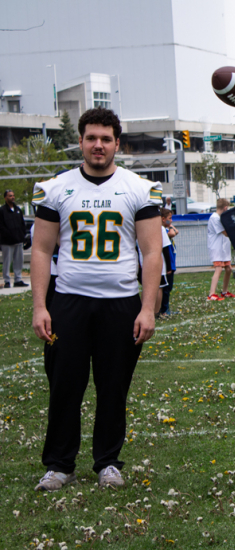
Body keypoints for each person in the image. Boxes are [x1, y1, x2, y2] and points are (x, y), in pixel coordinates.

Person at [30, 107, 162, 490]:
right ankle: (59, 464)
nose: (98, 145)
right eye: (91, 138)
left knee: (113, 385)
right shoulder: (56, 187)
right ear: (81, 142)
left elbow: (151, 251)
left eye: (106, 139)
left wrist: (148, 307)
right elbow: (41, 249)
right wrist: (41, 305)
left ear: (117, 143)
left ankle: (107, 461)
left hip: (120, 302)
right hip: (69, 301)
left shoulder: (138, 187)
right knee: (64, 385)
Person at [206, 198, 235, 301]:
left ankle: (224, 291)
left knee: (228, 268)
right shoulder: (214, 218)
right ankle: (211, 294)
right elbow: (225, 232)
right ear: (225, 208)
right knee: (218, 269)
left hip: (224, 248)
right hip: (216, 247)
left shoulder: (221, 217)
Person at [1, 189, 28, 288]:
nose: (12, 197)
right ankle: (7, 280)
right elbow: (1, 226)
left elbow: (22, 224)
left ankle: (18, 280)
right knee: (7, 262)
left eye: (13, 195)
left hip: (18, 241)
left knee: (18, 261)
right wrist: (8, 235)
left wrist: (23, 235)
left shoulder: (18, 210)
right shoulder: (2, 211)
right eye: (9, 196)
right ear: (5, 198)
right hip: (7, 242)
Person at [159, 207, 178, 316]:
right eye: (169, 218)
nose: (171, 221)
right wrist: (169, 225)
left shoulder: (166, 228)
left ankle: (165, 308)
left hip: (171, 261)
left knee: (169, 287)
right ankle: (163, 310)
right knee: (166, 288)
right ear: (163, 219)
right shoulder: (164, 231)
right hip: (167, 264)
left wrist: (170, 224)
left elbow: (176, 231)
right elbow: (173, 233)